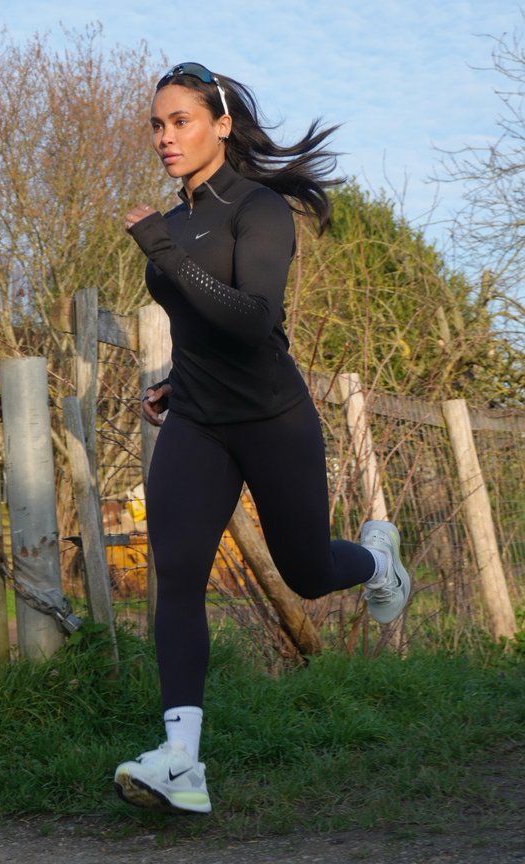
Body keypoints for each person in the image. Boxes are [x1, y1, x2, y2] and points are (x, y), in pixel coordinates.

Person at [113, 62, 410, 815]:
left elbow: (250, 317)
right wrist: (179, 384)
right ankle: (182, 761)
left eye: (180, 120)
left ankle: (377, 559)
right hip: (199, 424)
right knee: (176, 574)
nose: (165, 136)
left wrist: (162, 251)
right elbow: (199, 326)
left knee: (307, 573)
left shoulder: (259, 208)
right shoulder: (176, 220)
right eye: (157, 123)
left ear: (220, 124)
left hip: (274, 418)